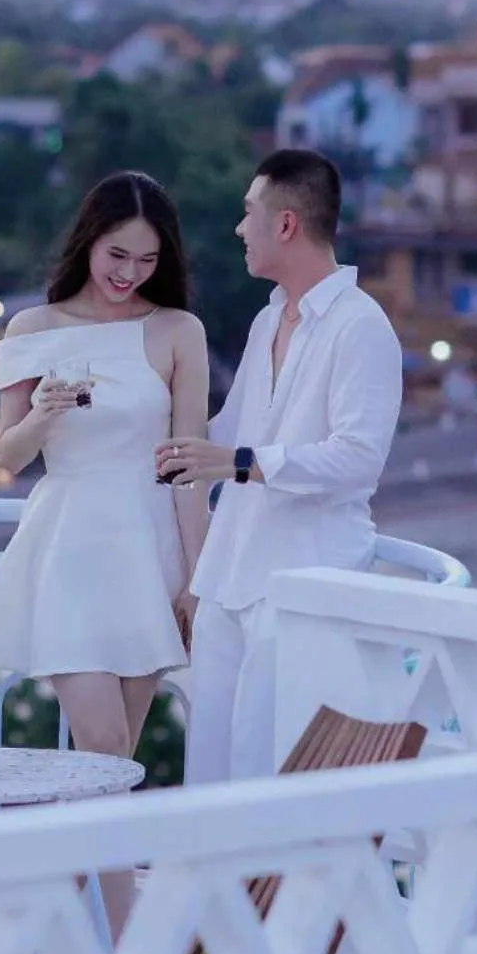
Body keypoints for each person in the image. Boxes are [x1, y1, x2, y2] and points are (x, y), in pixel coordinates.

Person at [0, 170, 209, 935]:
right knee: (102, 749)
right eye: (117, 254)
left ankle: (30, 932)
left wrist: (196, 578)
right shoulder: (32, 328)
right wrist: (43, 412)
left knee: (107, 769)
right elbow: (10, 457)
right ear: (89, 241)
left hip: (149, 547)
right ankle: (130, 937)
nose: (128, 273)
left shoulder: (177, 331)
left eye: (146, 260)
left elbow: (187, 466)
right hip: (71, 545)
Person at [155, 148, 403, 784]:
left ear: (286, 224)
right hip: (230, 574)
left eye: (249, 213)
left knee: (263, 771)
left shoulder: (362, 327)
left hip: (302, 577)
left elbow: (358, 459)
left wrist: (238, 463)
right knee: (209, 768)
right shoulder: (268, 319)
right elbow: (227, 433)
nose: (240, 228)